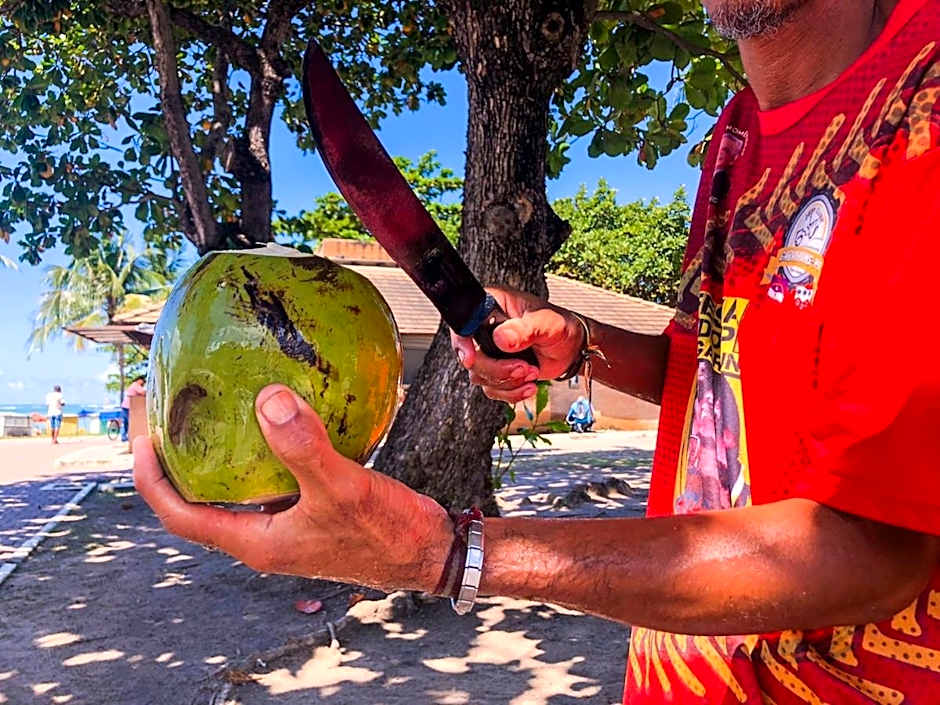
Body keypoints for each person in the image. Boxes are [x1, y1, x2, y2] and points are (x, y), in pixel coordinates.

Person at [134, 1, 940, 702]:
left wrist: (451, 554)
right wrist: (583, 346)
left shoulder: (922, 107)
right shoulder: (736, 132)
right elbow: (715, 378)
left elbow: (874, 547)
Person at [121, 376, 147, 442]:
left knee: (126, 422)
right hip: (128, 405)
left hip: (125, 405)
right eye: (143, 382)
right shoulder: (136, 385)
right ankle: (125, 436)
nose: (143, 383)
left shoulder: (133, 385)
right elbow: (143, 392)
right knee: (129, 422)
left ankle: (124, 436)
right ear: (139, 380)